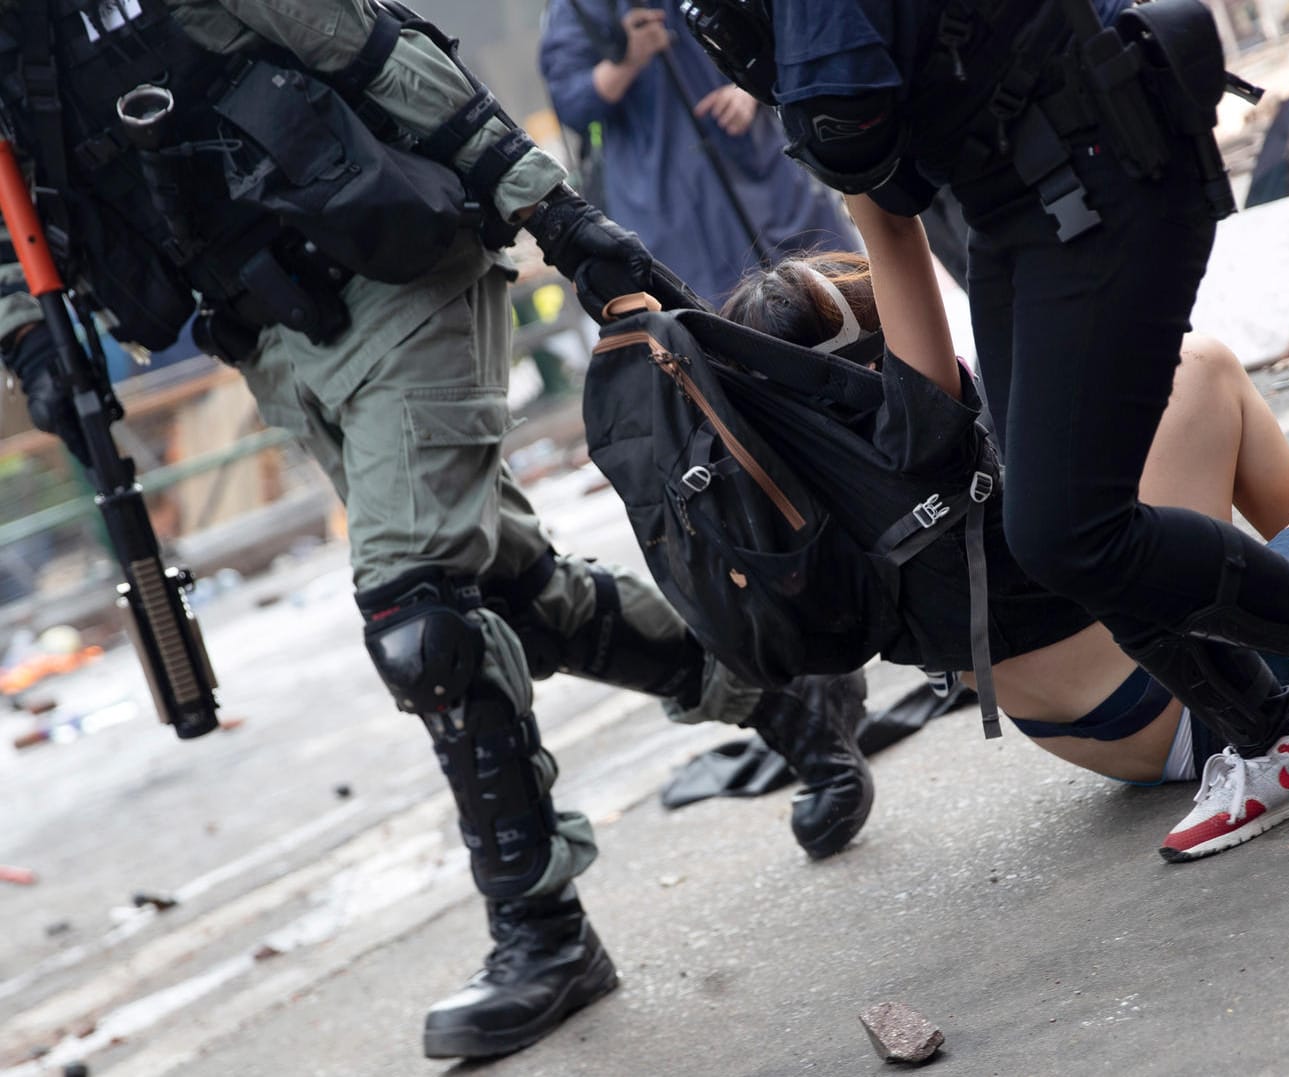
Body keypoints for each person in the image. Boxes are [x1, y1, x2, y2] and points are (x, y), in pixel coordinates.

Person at [0, 0, 871, 1060]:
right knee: (502, 595)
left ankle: (542, 931)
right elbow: (13, 234)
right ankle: (782, 693)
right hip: (270, 340)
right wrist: (36, 356)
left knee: (422, 621)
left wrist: (553, 214)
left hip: (394, 267)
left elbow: (379, 51)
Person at [689, 0, 1289, 844]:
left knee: (1069, 525)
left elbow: (859, 147)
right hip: (1013, 200)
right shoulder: (901, 444)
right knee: (1084, 499)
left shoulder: (855, 476)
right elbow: (888, 187)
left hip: (1089, 161)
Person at [720, 206, 1289, 860]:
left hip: (1102, 739)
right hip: (1191, 704)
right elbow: (891, 224)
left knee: (1189, 384)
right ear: (879, 340)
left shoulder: (796, 493)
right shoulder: (913, 427)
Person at [539, 0, 859, 305]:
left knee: (837, 295)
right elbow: (570, 102)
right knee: (724, 336)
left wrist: (749, 91)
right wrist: (627, 61)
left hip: (772, 182)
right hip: (672, 217)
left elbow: (791, 32)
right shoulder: (576, 9)